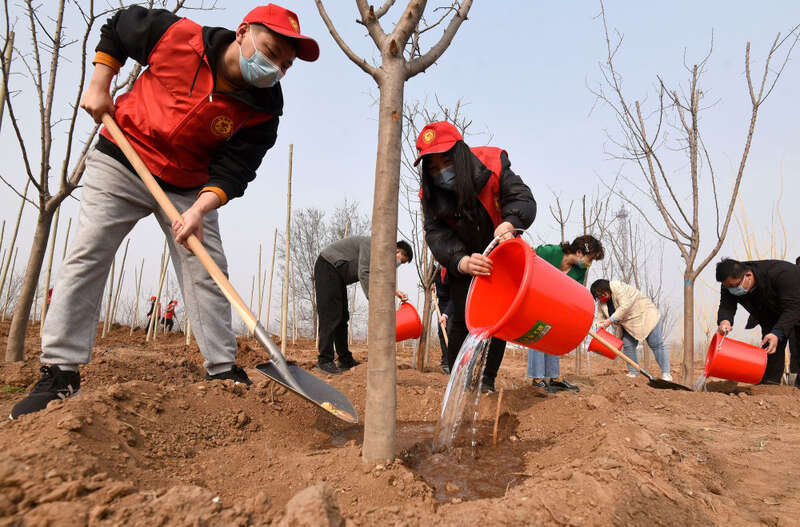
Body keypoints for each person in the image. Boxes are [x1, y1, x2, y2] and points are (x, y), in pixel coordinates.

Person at [11, 4, 320, 420]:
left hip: (188, 185)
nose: (276, 67)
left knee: (208, 270)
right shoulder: (179, 37)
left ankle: (223, 371)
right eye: (270, 50)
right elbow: (118, 28)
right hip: (123, 155)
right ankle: (59, 372)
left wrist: (200, 208)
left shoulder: (264, 110)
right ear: (243, 31)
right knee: (89, 252)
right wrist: (100, 84)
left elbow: (236, 169)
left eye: (285, 64)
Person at [416, 121, 537, 394]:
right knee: (462, 318)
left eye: (446, 162)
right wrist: (461, 261)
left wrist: (511, 223)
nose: (441, 173)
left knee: (499, 320)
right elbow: (435, 233)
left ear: (460, 153)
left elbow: (522, 198)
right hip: (465, 262)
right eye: (433, 168)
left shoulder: (493, 163)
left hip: (501, 253)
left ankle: (486, 382)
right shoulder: (430, 194)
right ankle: (461, 380)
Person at [314, 237, 413, 374]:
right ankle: (324, 360)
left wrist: (396, 292)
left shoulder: (380, 259)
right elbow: (364, 272)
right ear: (397, 251)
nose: (398, 265)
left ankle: (345, 359)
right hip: (327, 266)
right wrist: (373, 300)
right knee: (331, 315)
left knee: (342, 317)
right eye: (400, 261)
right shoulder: (372, 245)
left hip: (338, 276)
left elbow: (380, 279)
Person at [525, 236, 604, 393]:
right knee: (538, 332)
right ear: (579, 252)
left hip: (554, 306)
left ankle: (554, 377)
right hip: (533, 298)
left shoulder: (580, 270)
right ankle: (538, 378)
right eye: (590, 259)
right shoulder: (549, 252)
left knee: (554, 335)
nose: (590, 263)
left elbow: (575, 292)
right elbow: (526, 260)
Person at [715, 258, 800, 386]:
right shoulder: (728, 284)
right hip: (770, 316)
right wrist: (725, 321)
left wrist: (778, 332)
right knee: (770, 347)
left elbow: (793, 308)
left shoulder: (782, 273)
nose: (733, 290)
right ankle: (770, 386)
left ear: (748, 276)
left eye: (734, 286)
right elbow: (727, 306)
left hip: (795, 306)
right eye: (729, 287)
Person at [590, 279, 673, 381]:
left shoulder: (617, 287)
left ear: (607, 288)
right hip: (629, 324)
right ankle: (633, 372)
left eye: (602, 294)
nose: (601, 297)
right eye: (598, 296)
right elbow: (600, 317)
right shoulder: (602, 303)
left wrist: (610, 320)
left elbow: (625, 305)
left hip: (645, 316)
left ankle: (666, 373)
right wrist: (598, 326)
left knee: (656, 344)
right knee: (628, 345)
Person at [433, 264, 453, 374]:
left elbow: (455, 295)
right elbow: (430, 276)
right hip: (441, 302)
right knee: (441, 332)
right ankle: (445, 360)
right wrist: (431, 283)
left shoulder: (452, 270)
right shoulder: (434, 269)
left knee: (450, 331)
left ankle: (452, 362)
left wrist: (446, 314)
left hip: (452, 302)